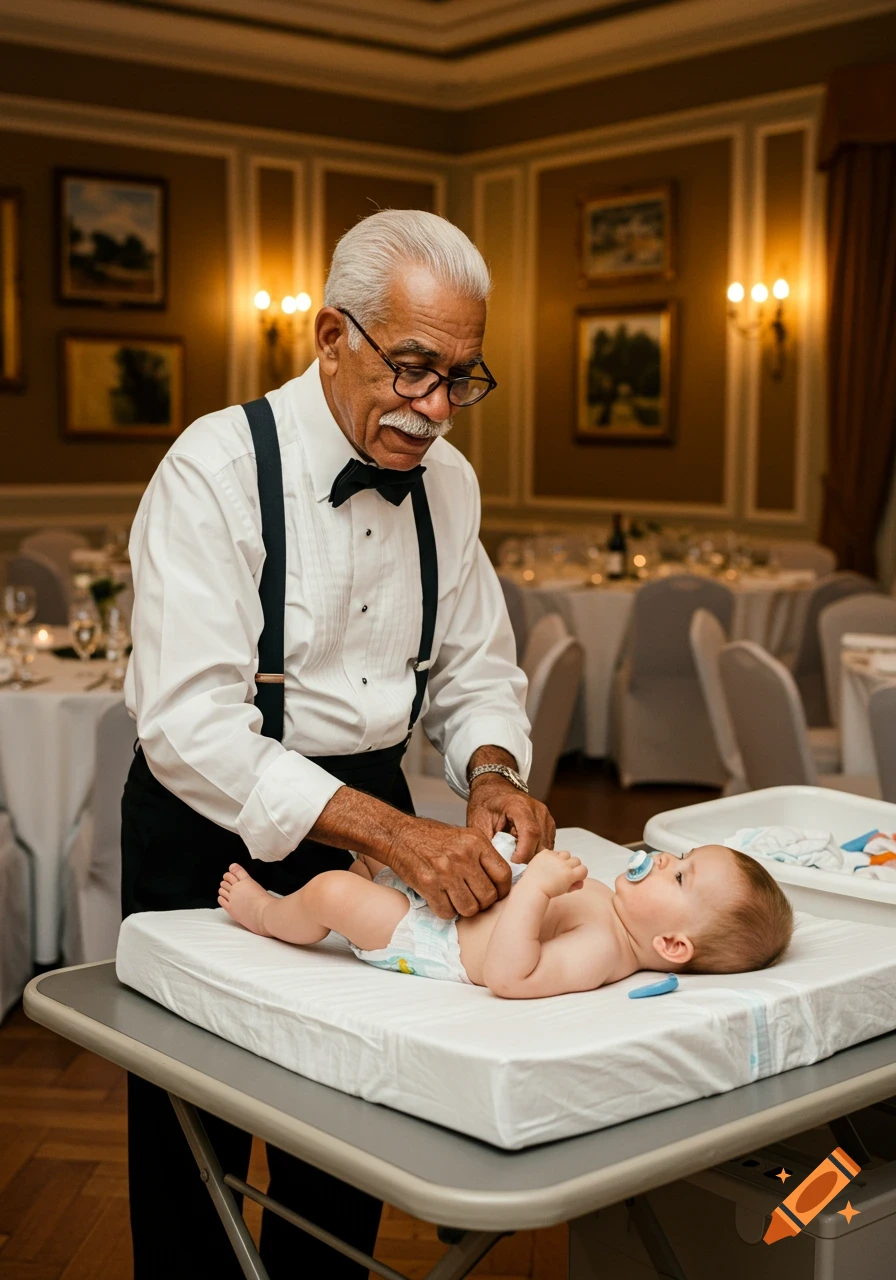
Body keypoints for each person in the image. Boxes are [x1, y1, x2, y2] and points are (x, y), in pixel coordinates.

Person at [121, 208, 556, 1279]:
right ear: (329, 335)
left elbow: (474, 666)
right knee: (194, 1148)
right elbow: (186, 724)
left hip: (373, 816)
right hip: (207, 824)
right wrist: (395, 833)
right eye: (411, 367)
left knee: (353, 1125)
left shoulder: (447, 484)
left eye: (461, 377)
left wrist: (492, 767)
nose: (435, 408)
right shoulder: (214, 469)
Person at [217, 845, 795, 997]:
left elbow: (510, 975)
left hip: (430, 938)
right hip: (452, 900)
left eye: (681, 878)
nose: (667, 861)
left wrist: (539, 887)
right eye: (685, 856)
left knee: (332, 892)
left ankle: (267, 912)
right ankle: (375, 874)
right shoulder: (613, 911)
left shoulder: (604, 950)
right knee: (382, 849)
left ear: (671, 943)